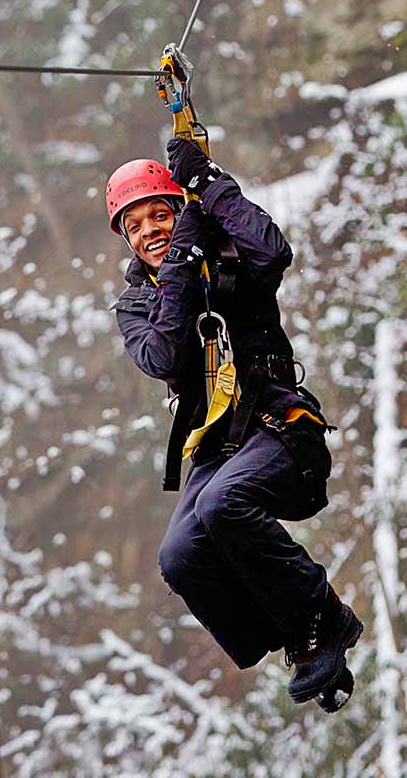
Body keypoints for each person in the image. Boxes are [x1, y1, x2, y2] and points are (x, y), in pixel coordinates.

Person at [106, 139, 363, 712]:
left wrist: (211, 185)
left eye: (161, 214)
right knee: (180, 554)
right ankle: (297, 639)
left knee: (224, 504)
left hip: (278, 427)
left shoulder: (229, 260)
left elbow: (274, 251)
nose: (150, 230)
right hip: (218, 446)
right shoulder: (135, 306)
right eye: (136, 225)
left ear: (180, 212)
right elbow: (164, 357)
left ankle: (322, 618)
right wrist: (179, 263)